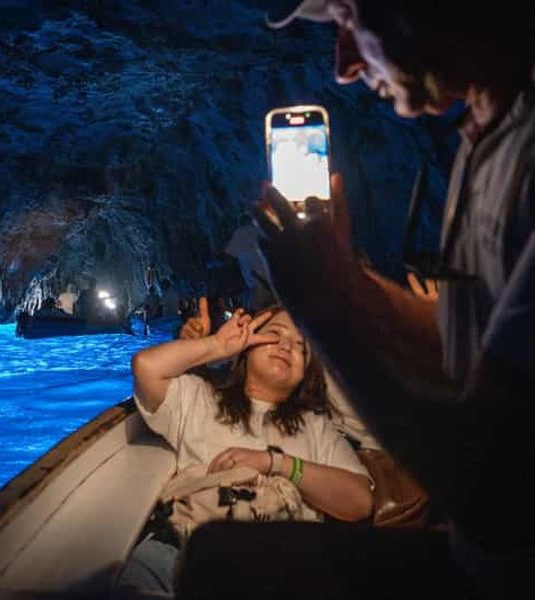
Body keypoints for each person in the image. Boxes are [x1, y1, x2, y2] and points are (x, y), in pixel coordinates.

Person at [188, 1, 535, 597]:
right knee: (213, 556)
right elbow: (467, 344)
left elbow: (497, 502)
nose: (345, 65)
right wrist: (343, 273)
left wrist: (324, 304)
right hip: (480, 554)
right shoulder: (490, 132)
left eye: (351, 19)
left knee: (217, 570)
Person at [118, 304, 372, 595]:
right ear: (246, 347)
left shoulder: (315, 426)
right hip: (185, 543)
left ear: (306, 372)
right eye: (274, 334)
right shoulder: (199, 397)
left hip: (278, 559)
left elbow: (359, 501)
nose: (286, 346)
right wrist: (215, 346)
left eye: (301, 347)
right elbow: (146, 367)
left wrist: (277, 463)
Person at [224, 213, 275, 312]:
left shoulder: (241, 233)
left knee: (260, 310)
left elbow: (228, 255)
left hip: (257, 279)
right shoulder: (259, 231)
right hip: (266, 278)